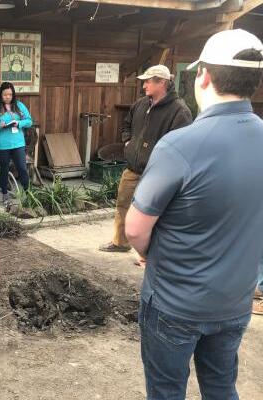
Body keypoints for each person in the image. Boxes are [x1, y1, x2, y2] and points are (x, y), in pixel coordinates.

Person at [125, 29, 263, 399]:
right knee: (221, 387)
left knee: (167, 391)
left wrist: (149, 254)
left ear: (203, 76)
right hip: (234, 304)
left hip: (175, 303)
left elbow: (136, 228)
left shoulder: (180, 144)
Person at [99, 64, 193, 254]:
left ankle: (151, 252)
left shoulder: (179, 111)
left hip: (158, 175)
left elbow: (183, 145)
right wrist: (127, 142)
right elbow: (126, 124)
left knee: (155, 213)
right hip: (133, 168)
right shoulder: (140, 104)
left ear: (163, 83)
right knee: (123, 204)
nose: (144, 86)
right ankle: (120, 242)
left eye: (148, 82)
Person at [0, 81, 32, 202]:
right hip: (2, 144)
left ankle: (29, 194)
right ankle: (5, 194)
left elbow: (29, 121)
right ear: (1, 94)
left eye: (10, 95)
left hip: (18, 143)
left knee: (22, 168)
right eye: (5, 95)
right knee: (4, 169)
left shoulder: (19, 105)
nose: (8, 97)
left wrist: (19, 123)